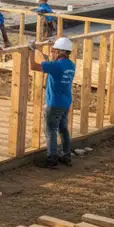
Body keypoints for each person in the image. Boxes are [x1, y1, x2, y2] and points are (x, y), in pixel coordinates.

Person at [31, 37, 77, 169]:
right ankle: (66, 156)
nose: (52, 53)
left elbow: (33, 66)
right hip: (65, 102)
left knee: (50, 130)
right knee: (63, 129)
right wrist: (40, 51)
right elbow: (51, 63)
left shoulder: (56, 66)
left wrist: (31, 51)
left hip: (54, 104)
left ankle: (52, 159)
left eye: (54, 51)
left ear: (59, 52)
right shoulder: (70, 65)